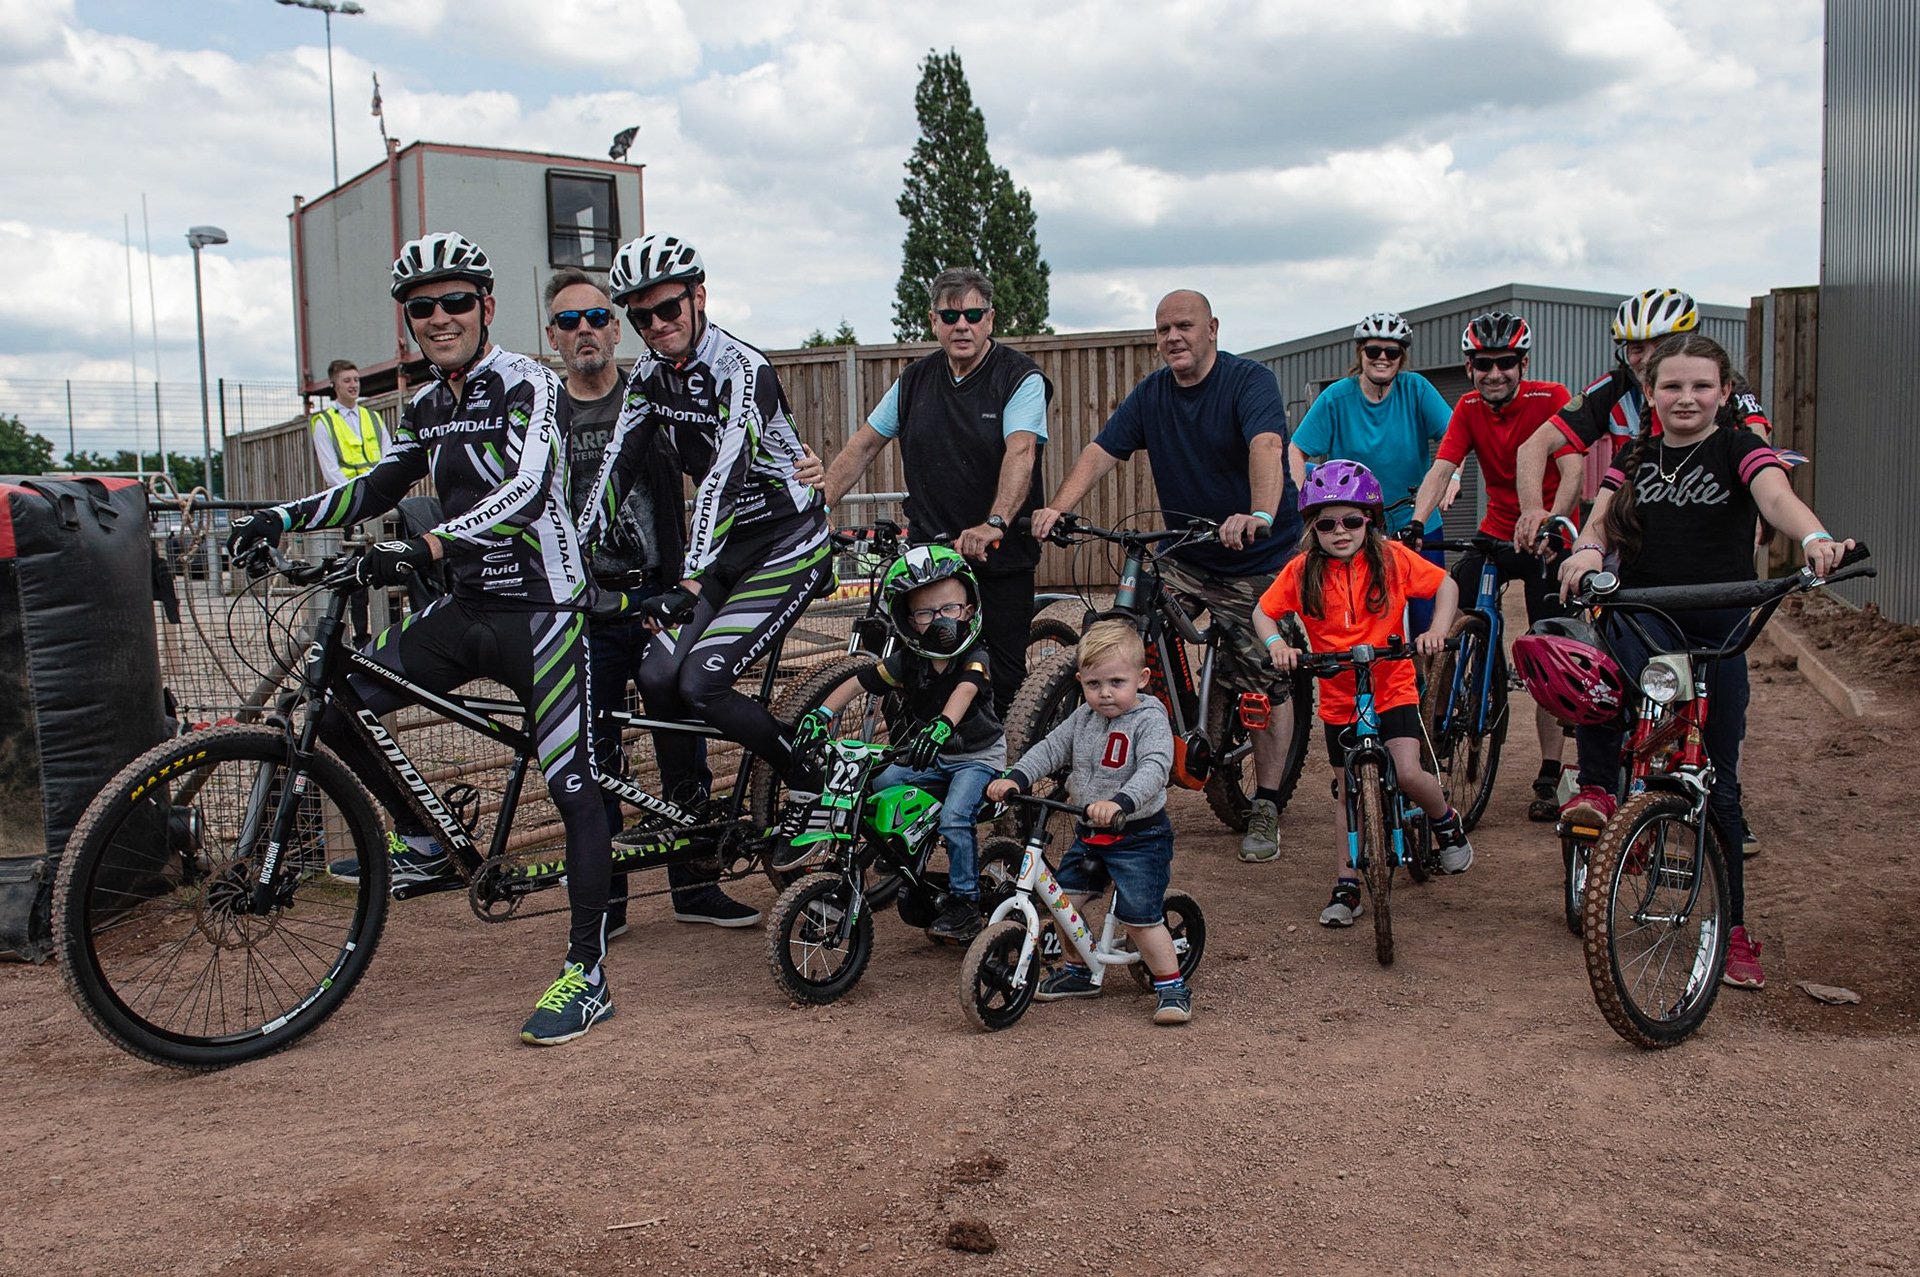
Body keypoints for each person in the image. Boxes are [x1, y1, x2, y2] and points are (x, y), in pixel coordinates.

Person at [227, 231, 619, 1047]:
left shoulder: (527, 382)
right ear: (407, 321)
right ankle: (429, 839)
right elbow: (374, 485)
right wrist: (279, 517)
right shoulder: (426, 405)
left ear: (486, 307)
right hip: (467, 606)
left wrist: (428, 545)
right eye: (421, 308)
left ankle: (588, 971)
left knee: (575, 783)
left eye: (454, 303)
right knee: (335, 705)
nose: (439, 318)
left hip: (543, 606)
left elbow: (528, 485)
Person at [1553, 334, 1851, 990]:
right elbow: (1600, 521)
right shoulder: (1635, 454)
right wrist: (1585, 553)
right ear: (1652, 394)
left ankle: (1735, 929)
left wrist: (1816, 536)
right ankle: (1600, 791)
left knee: (1719, 781)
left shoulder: (1739, 445)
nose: (1686, 398)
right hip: (1645, 612)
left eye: (1701, 386)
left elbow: (1775, 497)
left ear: (1723, 392)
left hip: (1720, 621)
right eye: (1672, 387)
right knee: (1600, 674)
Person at [1032, 290, 1303, 863]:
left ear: (1212, 328)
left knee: (1260, 674)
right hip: (1187, 549)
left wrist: (1257, 514)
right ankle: (1166, 726)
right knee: (1130, 615)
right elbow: (1103, 449)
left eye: (1184, 325)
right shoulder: (1153, 393)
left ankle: (1267, 802)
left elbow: (1267, 444)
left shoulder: (1247, 381)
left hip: (1255, 554)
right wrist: (1059, 507)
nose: (1172, 337)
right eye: (1163, 329)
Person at [582, 233, 831, 821]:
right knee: (657, 673)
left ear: (699, 297)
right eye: (640, 315)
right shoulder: (647, 375)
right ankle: (688, 809)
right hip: (727, 549)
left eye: (668, 308)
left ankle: (808, 778)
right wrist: (574, 551)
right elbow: (617, 464)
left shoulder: (745, 369)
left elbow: (723, 476)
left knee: (702, 681)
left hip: (786, 538)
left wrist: (691, 582)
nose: (656, 323)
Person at [544, 267, 760, 930]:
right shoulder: (545, 413)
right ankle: (605, 901)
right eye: (568, 320)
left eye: (597, 317)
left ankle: (695, 888)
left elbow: (732, 456)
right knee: (596, 751)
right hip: (590, 607)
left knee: (682, 740)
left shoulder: (658, 395)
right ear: (552, 335)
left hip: (664, 596)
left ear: (618, 326)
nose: (585, 330)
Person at [819, 267, 1050, 714]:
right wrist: (818, 504)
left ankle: (1001, 776)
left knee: (1000, 685)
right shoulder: (914, 381)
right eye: (949, 315)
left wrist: (994, 523)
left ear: (990, 319)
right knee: (915, 677)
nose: (961, 324)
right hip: (931, 555)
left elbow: (1020, 452)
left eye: (972, 314)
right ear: (933, 322)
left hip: (998, 554)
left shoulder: (1020, 378)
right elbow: (864, 444)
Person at [1253, 461, 1471, 929]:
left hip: (1392, 686)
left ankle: (1445, 820)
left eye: (1352, 520)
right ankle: (1347, 884)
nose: (1341, 531)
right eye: (1327, 523)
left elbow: (1446, 584)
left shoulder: (1391, 558)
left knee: (1409, 770)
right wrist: (1278, 645)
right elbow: (1263, 612)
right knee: (1347, 792)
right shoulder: (1301, 570)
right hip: (1338, 695)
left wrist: (1435, 630)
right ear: (1313, 527)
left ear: (1369, 519)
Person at [1407, 312, 1585, 821]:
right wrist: (1417, 523)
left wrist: (1555, 519)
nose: (1495, 374)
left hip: (1546, 537)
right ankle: (1438, 726)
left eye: (1506, 363)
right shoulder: (1466, 407)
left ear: (1522, 363)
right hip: (1495, 531)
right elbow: (1442, 468)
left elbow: (1572, 467)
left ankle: (1551, 771)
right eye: (1484, 365)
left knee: (1549, 643)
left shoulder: (1550, 397)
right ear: (1470, 367)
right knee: (1450, 614)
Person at [784, 546, 1006, 941]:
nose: (940, 620)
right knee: (872, 790)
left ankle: (966, 904)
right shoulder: (908, 661)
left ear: (969, 610)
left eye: (949, 609)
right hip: (928, 755)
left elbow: (966, 690)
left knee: (956, 817)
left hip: (976, 757)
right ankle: (859, 872)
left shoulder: (975, 655)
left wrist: (941, 725)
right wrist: (821, 715)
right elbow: (857, 681)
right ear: (909, 621)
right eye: (925, 613)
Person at [984, 620, 1190, 1025]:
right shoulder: (1083, 718)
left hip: (1138, 835)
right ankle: (1080, 972)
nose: (1106, 693)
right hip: (1090, 831)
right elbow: (1050, 749)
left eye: (1117, 681)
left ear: (1142, 679)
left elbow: (1154, 767)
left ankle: (1171, 986)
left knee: (1140, 918)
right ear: (1081, 682)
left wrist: (1121, 802)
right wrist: (1016, 777)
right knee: (1065, 906)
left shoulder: (1150, 719)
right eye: (1095, 684)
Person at [1511, 287, 1772, 550]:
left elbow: (1758, 444)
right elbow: (1534, 445)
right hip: (1636, 531)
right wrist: (1533, 510)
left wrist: (1762, 506)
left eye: (1661, 345)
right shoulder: (1614, 389)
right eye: (1636, 348)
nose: (1648, 358)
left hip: (1713, 524)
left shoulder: (1718, 384)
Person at [1286, 311, 1455, 633]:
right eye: (1373, 351)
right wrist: (1299, 501)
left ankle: (1429, 682)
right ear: (1360, 353)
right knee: (1359, 616)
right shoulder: (1337, 397)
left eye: (1391, 352)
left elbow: (1454, 439)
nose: (1382, 358)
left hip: (1414, 519)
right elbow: (1296, 449)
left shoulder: (1416, 389)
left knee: (1426, 619)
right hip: (1354, 525)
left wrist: (1454, 477)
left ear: (1401, 357)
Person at [309, 359, 390, 647]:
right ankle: (360, 635)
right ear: (335, 384)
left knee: (386, 567)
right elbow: (331, 470)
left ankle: (387, 633)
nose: (353, 384)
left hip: (380, 502)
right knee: (353, 570)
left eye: (356, 379)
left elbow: (388, 457)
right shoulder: (324, 422)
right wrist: (358, 499)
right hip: (351, 504)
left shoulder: (373, 418)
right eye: (347, 380)